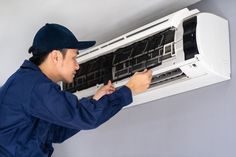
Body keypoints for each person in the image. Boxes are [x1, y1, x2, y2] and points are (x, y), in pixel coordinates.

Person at [0, 23, 153, 157]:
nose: (77, 65)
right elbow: (83, 117)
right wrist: (129, 89)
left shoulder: (29, 83)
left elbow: (56, 132)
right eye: (74, 57)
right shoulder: (34, 86)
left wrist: (93, 101)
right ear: (56, 56)